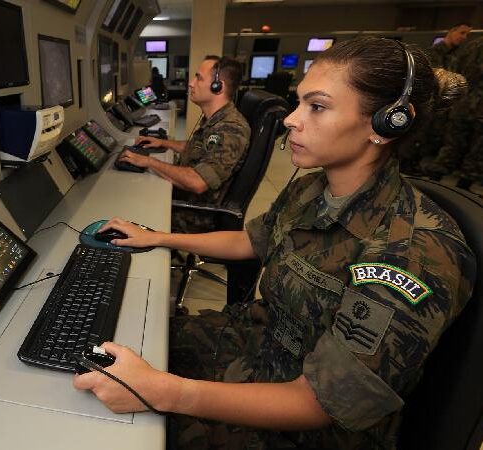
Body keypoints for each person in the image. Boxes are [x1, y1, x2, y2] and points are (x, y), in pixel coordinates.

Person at [74, 37, 476, 449]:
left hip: (307, 423)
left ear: (387, 123)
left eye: (316, 107)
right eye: (299, 102)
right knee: (119, 340)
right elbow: (251, 240)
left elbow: (321, 402)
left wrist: (164, 392)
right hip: (256, 346)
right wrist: (156, 236)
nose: (290, 119)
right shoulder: (311, 189)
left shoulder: (413, 251)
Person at [118, 56, 251, 233]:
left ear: (218, 87)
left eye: (199, 78)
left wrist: (149, 162)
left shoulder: (230, 129)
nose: (191, 83)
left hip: (193, 214)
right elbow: (198, 148)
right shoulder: (218, 121)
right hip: (183, 199)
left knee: (126, 203)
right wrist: (164, 142)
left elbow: (198, 182)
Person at [424, 36, 483, 189]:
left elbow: (455, 72)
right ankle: (463, 190)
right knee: (476, 151)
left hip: (461, 104)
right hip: (479, 108)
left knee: (452, 145)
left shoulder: (470, 45)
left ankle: (432, 183)